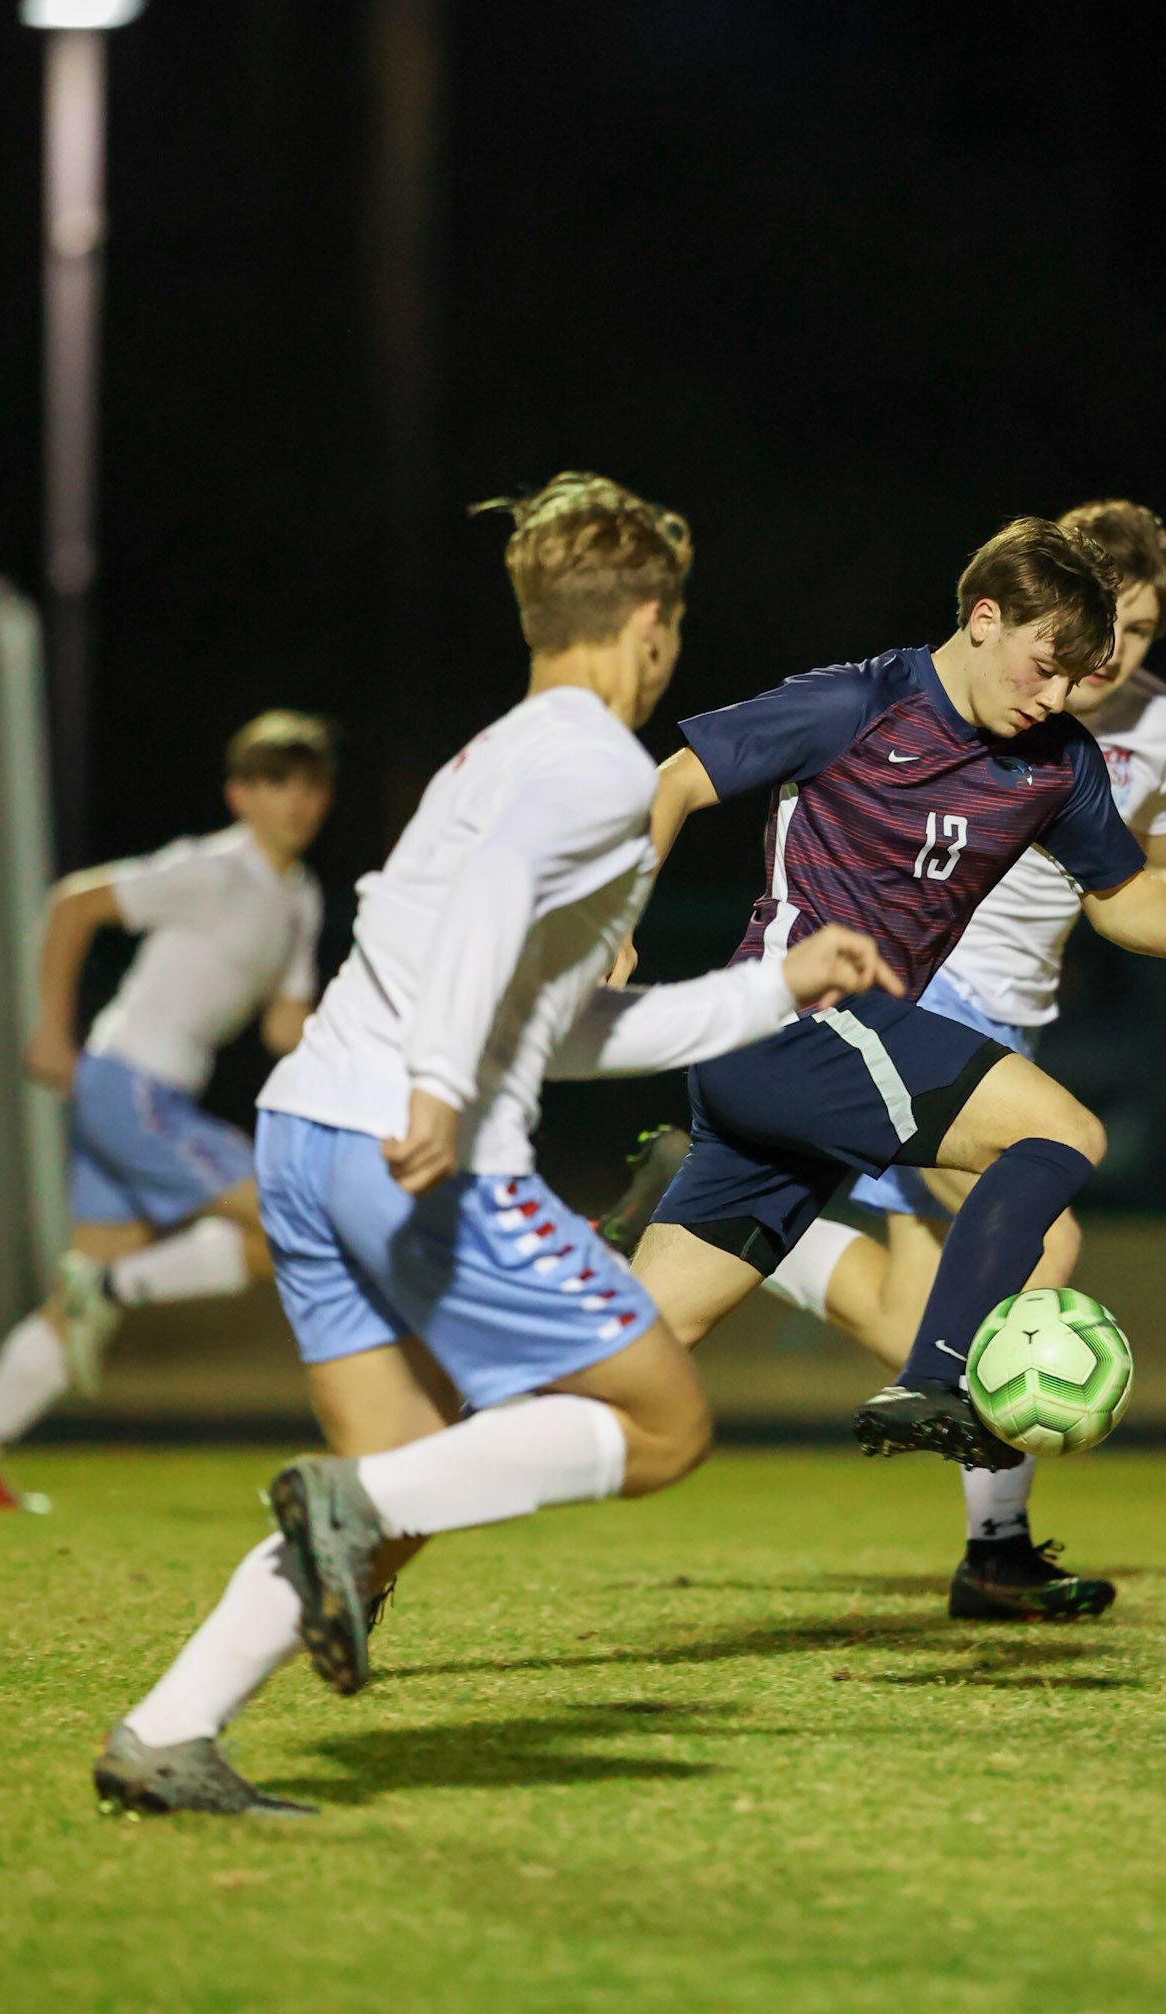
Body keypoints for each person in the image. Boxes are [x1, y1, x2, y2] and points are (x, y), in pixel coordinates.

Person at [93, 472, 897, 1816]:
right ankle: (323, 1541)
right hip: (413, 1147)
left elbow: (563, 1025)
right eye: (674, 630)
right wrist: (430, 1088)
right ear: (648, 621)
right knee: (661, 1424)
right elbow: (484, 918)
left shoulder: (497, 753)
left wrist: (779, 986)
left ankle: (167, 1734)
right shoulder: (593, 765)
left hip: (304, 1138)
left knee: (393, 1491)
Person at [624, 515, 1166, 1477]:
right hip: (794, 1022)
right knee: (1062, 1135)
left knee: (631, 1352)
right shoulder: (856, 703)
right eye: (1043, 667)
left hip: (806, 1065)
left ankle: (380, 1512)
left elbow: (1120, 896)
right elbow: (674, 780)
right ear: (983, 618)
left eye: (1074, 678)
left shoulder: (1057, 759)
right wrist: (612, 917)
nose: (1054, 697)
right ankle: (935, 1378)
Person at [761, 500, 1166, 1619]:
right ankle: (995, 1547)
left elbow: (1165, 868)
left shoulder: (1150, 724)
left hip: (1015, 1023)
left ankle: (744, 1226)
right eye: (1106, 622)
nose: (1115, 654)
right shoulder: (995, 694)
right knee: (1038, 1246)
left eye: (1143, 632)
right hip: (921, 999)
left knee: (926, 1324)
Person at [0, 713, 334, 1509]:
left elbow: (286, 1027)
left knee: (83, 1297)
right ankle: (109, 1288)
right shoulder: (211, 869)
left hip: (151, 1098)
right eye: (277, 784)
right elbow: (76, 902)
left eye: (312, 786)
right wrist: (50, 1028)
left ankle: (94, 1301)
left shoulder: (301, 899)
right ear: (240, 795)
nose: (298, 802)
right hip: (129, 1087)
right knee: (289, 1218)